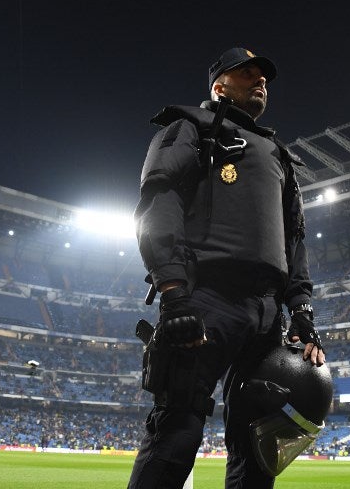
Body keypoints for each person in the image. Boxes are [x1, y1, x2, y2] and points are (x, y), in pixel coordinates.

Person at [128, 47, 325, 489]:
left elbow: (295, 239)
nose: (261, 82)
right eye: (248, 74)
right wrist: (174, 289)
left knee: (259, 444)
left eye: (264, 77)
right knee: (177, 430)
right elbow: (159, 201)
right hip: (206, 298)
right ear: (220, 86)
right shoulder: (191, 126)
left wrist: (303, 311)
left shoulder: (279, 155)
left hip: (268, 316)